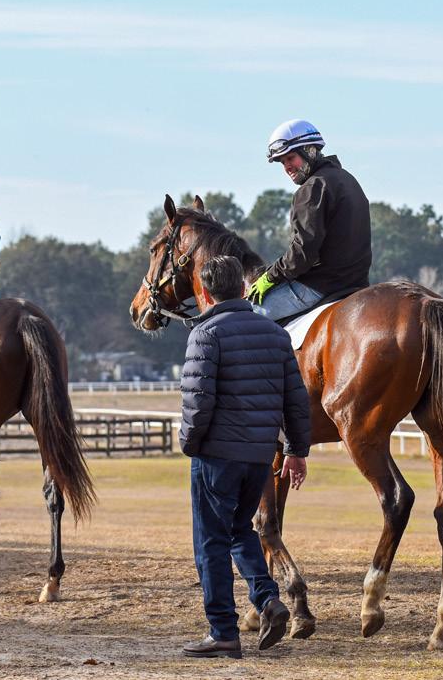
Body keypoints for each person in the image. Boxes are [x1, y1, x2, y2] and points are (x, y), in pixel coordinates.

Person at [179, 255, 312, 659]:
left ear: (205, 294)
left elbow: (197, 401)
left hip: (216, 455)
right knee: (241, 531)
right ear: (242, 288)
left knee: (210, 542)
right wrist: (296, 450)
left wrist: (189, 443)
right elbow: (295, 399)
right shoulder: (275, 334)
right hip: (259, 457)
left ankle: (223, 631)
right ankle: (268, 601)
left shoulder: (205, 333)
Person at [246, 119, 372, 322]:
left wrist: (270, 277)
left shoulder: (312, 188)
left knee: (246, 316)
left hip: (320, 286)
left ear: (309, 151)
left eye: (290, 158)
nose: (287, 167)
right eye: (282, 162)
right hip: (357, 283)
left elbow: (302, 253)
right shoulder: (347, 179)